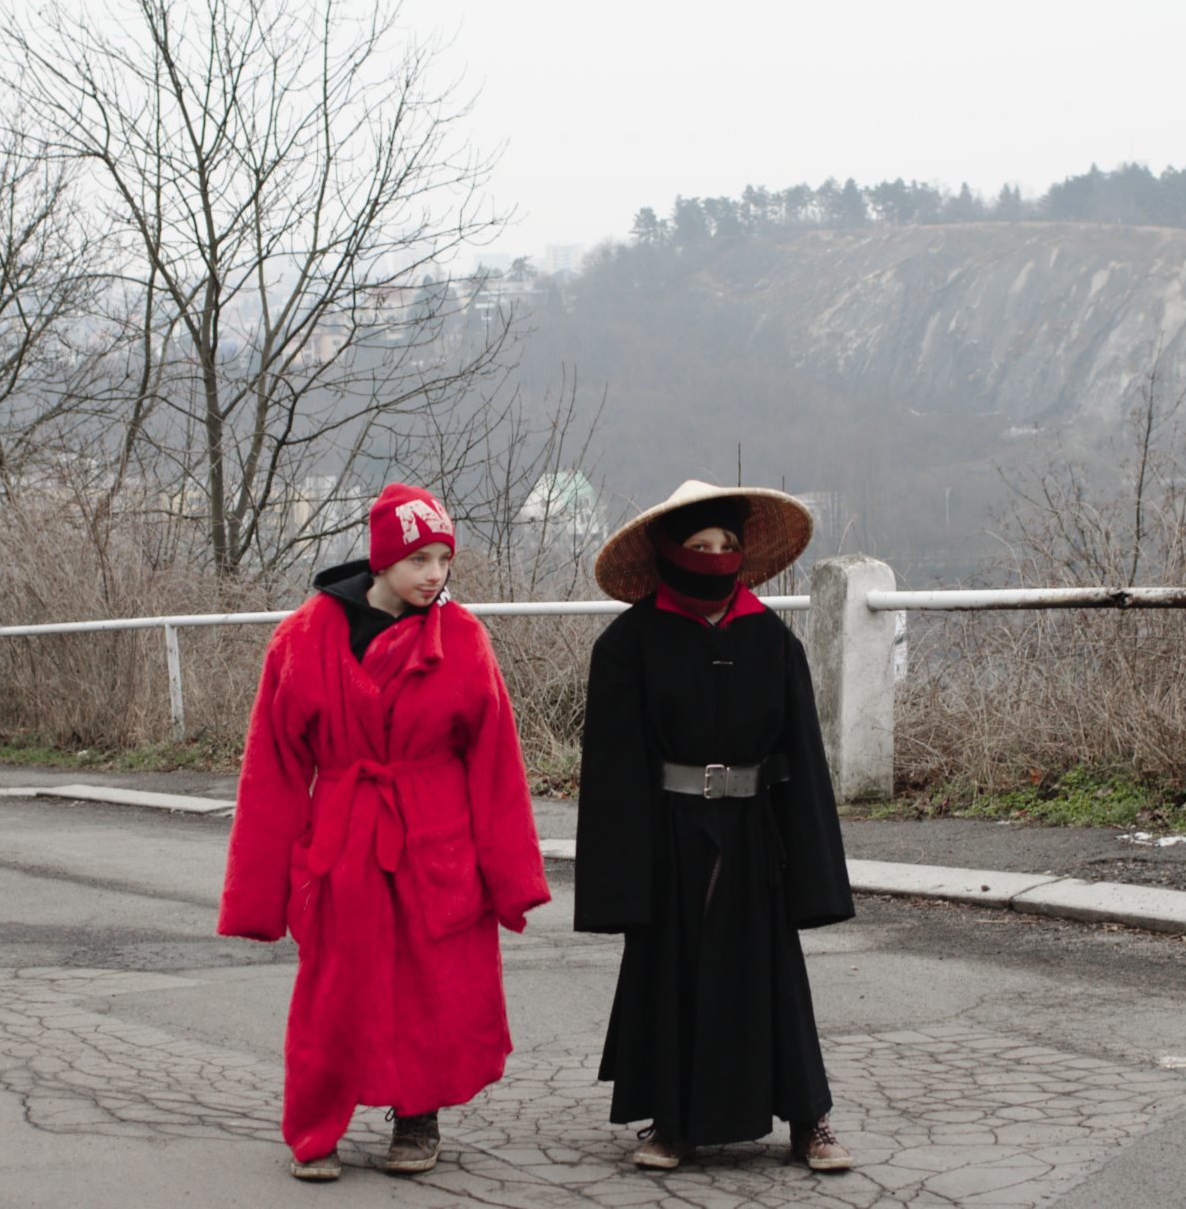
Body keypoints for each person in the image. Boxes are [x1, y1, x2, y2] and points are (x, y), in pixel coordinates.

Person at [218, 482, 551, 1182]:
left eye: (444, 559)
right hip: (344, 838)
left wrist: (512, 877)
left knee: (433, 983)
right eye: (419, 559)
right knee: (333, 988)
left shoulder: (463, 638)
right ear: (381, 559)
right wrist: (257, 895)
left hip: (437, 838)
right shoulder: (303, 637)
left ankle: (418, 1116)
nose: (435, 575)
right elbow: (274, 770)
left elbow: (495, 763)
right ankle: (316, 1125)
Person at [574, 479, 856, 1172]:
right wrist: (621, 885)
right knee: (670, 972)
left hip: (757, 836)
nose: (714, 557)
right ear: (668, 551)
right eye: (698, 546)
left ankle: (808, 1118)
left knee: (773, 975)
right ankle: (672, 1122)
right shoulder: (628, 643)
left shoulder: (774, 641)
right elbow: (613, 773)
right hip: (669, 836)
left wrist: (813, 873)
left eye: (727, 544)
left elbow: (803, 761)